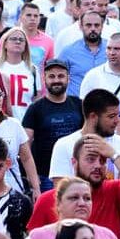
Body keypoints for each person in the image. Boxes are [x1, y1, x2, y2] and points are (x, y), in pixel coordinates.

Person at [23, 59, 83, 192]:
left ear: (68, 78)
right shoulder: (35, 109)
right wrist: (32, 177)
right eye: (52, 76)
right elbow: (25, 146)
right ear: (44, 79)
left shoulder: (79, 105)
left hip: (76, 173)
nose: (56, 80)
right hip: (46, 176)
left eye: (61, 76)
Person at [0, 81, 41, 199]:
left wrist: (36, 188)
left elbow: (27, 158)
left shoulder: (13, 124)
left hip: (14, 189)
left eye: (0, 94)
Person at [0, 27, 40, 122]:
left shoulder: (33, 70)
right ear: (5, 43)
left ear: (25, 46)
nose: (18, 42)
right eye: (13, 39)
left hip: (25, 124)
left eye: (21, 40)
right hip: (0, 123)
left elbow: (37, 101)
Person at [79, 33, 120, 101]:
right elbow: (84, 106)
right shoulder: (93, 75)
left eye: (117, 49)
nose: (112, 53)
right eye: (109, 48)